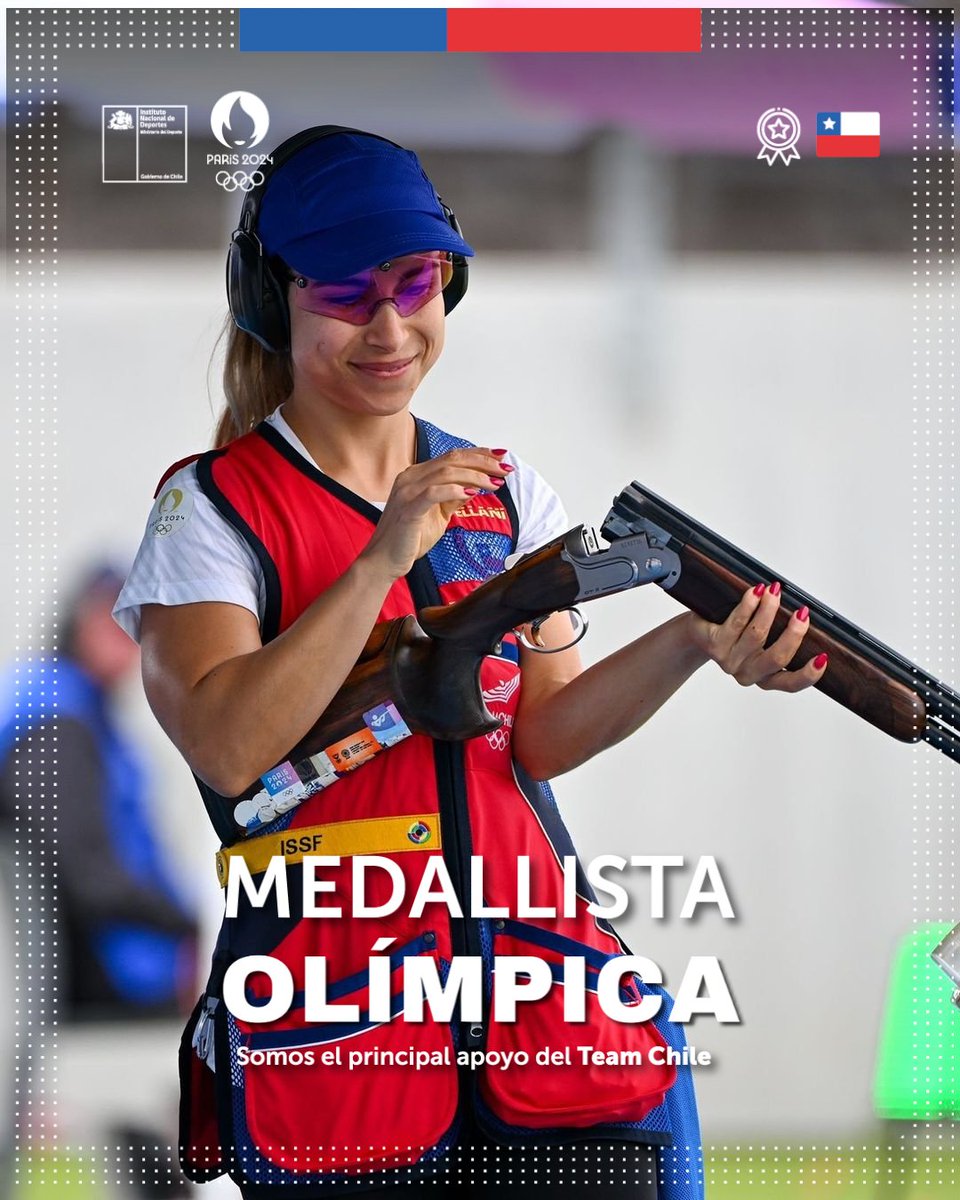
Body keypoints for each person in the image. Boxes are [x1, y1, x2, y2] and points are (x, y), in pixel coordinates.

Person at [113, 127, 825, 1198]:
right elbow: (226, 746)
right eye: (349, 294)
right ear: (273, 298)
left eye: (416, 283)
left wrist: (693, 644)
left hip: (546, 1012)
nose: (390, 325)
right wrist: (382, 559)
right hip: (345, 1035)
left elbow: (541, 734)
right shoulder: (207, 508)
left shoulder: (504, 494)